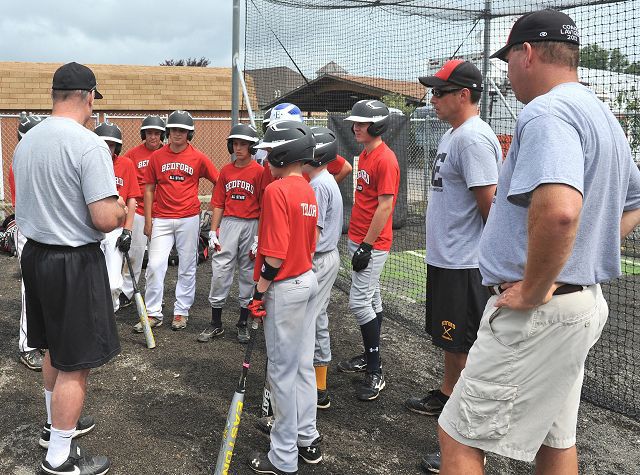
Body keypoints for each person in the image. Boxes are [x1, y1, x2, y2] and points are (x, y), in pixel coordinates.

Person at [437, 10, 640, 475]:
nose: (507, 71)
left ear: (526, 53)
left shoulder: (547, 111)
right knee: (555, 439)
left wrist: (533, 286)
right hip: (581, 304)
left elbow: (561, 211)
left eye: (508, 59)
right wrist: (582, 250)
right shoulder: (602, 115)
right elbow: (634, 199)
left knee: (459, 437)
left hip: (538, 313)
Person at [14, 61, 127, 475]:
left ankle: (54, 426)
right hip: (72, 261)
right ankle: (60, 457)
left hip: (37, 255)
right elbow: (101, 217)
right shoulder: (89, 144)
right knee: (75, 362)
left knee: (54, 350)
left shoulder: (27, 141)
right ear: (87, 96)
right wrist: (122, 209)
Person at [408, 59, 501, 473]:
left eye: (440, 92)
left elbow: (491, 210)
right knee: (452, 342)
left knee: (466, 348)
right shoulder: (453, 134)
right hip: (447, 260)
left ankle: (463, 440)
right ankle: (448, 396)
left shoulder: (474, 139)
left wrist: (492, 267)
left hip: (466, 265)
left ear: (464, 95)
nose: (433, 98)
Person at [247, 120, 321, 474]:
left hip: (286, 286)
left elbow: (274, 256)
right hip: (307, 280)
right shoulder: (307, 187)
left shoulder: (277, 190)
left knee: (281, 372)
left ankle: (283, 457)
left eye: (269, 151)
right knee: (302, 366)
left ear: (282, 153)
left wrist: (258, 292)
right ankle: (306, 437)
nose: (265, 157)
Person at [337, 99, 400, 402]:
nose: (355, 127)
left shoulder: (385, 159)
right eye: (355, 123)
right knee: (371, 299)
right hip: (361, 238)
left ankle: (375, 369)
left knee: (359, 303)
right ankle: (369, 355)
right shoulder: (366, 153)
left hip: (372, 243)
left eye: (362, 123)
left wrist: (367, 245)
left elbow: (386, 205)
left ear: (377, 125)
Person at [138, 110, 219, 332]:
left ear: (189, 133)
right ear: (168, 132)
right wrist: (147, 220)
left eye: (182, 130)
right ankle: (153, 313)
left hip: (188, 218)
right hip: (161, 218)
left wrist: (214, 207)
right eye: (174, 129)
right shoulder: (157, 157)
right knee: (155, 265)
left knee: (187, 266)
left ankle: (181, 311)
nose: (177, 134)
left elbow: (218, 181)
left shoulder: (199, 157)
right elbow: (148, 189)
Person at [198, 124, 263, 344]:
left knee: (247, 272)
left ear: (252, 146)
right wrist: (214, 230)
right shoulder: (226, 171)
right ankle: (216, 323)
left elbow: (264, 206)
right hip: (229, 223)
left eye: (243, 144)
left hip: (252, 223)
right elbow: (218, 203)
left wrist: (259, 236)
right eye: (235, 143)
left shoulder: (260, 172)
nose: (238, 148)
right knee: (220, 270)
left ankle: (242, 322)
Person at [119, 115, 166, 309]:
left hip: (161, 212)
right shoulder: (132, 154)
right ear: (143, 134)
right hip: (138, 209)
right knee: (134, 253)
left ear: (162, 134)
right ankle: (128, 292)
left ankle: (154, 295)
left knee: (157, 259)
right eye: (149, 133)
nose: (153, 137)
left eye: (156, 133)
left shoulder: (168, 153)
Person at [10, 113, 45, 371]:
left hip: (43, 231)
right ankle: (27, 346)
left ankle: (41, 338)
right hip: (28, 229)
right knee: (30, 288)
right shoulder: (20, 162)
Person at [94, 122, 141, 313]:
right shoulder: (88, 163)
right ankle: (95, 318)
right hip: (92, 231)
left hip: (115, 231)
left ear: (117, 147)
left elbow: (132, 199)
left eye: (111, 144)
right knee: (94, 281)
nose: (107, 147)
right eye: (103, 142)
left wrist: (128, 231)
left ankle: (110, 315)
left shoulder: (126, 164)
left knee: (113, 284)